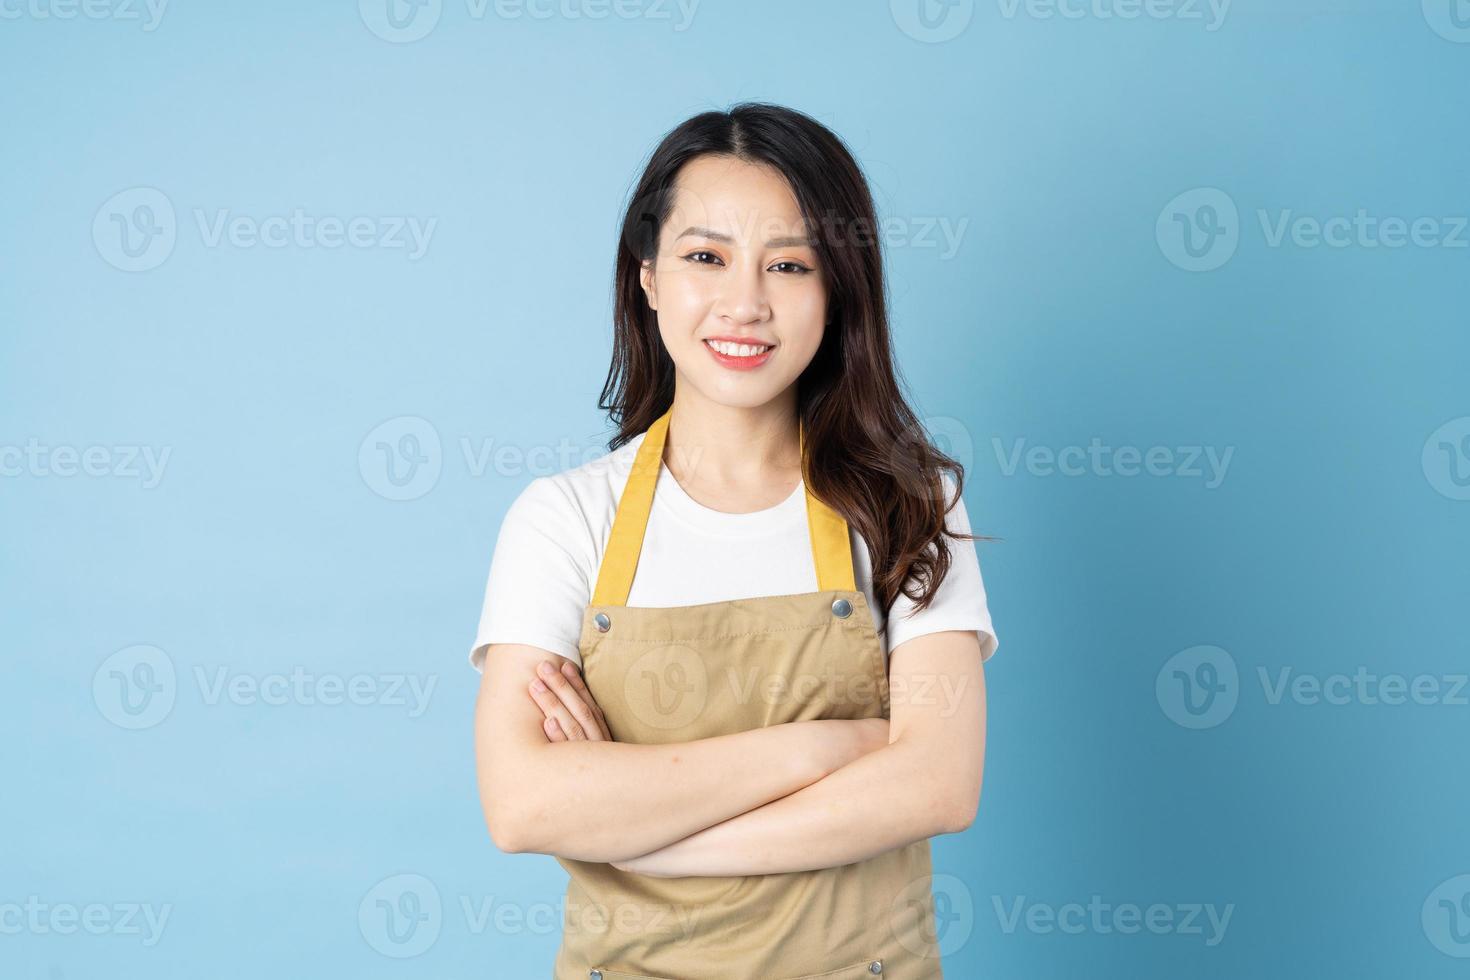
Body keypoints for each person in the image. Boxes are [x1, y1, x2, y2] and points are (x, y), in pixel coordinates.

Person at [470, 101, 999, 980]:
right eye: (705, 257)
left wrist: (647, 841)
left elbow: (938, 785)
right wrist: (826, 747)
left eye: (788, 264)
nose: (744, 303)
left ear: (838, 289)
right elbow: (522, 804)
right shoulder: (563, 520)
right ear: (646, 276)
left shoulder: (908, 505)